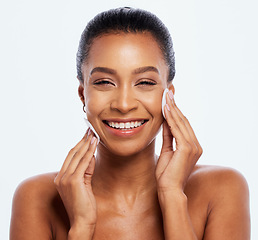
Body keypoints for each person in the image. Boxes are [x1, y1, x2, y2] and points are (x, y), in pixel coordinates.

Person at [10, 7, 250, 240]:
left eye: (145, 82)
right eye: (104, 82)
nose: (124, 104)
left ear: (169, 94)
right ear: (83, 95)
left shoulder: (222, 189)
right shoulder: (37, 198)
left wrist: (173, 197)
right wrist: (82, 227)